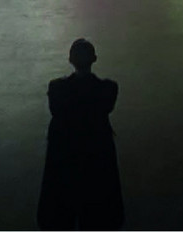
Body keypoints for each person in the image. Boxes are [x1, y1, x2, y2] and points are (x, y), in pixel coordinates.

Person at [37, 39, 124, 230]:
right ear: (94, 59)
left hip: (64, 163)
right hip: (97, 164)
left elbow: (57, 110)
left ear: (70, 60)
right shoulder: (108, 89)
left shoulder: (57, 89)